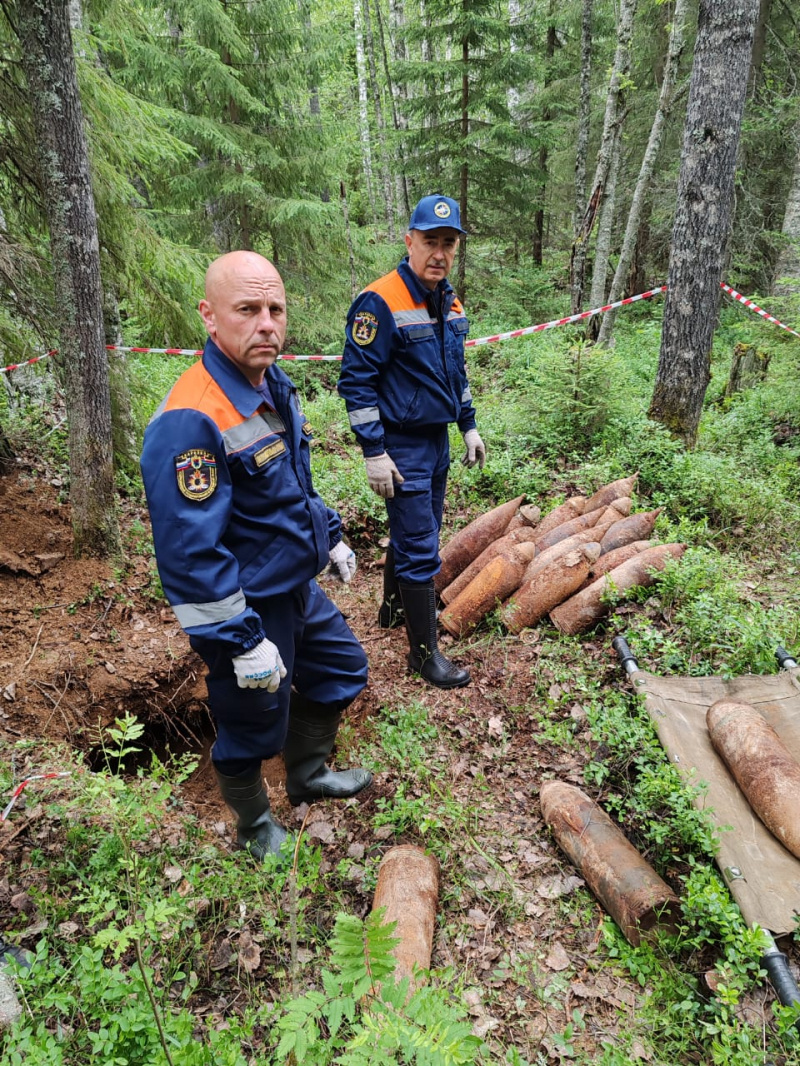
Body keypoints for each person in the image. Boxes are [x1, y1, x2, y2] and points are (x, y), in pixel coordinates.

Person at [140, 251, 371, 861]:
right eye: (249, 309)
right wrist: (242, 641)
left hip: (294, 582)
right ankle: (253, 828)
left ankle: (308, 774)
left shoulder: (270, 382)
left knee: (342, 669)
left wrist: (331, 533)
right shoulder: (192, 417)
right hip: (246, 603)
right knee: (251, 725)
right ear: (210, 317)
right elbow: (190, 554)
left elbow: (290, 485)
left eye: (276, 309)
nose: (267, 323)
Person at [338, 195, 486, 690]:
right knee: (421, 545)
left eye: (448, 243)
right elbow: (356, 382)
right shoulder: (380, 301)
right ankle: (425, 657)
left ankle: (390, 607)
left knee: (417, 531)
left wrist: (468, 424)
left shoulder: (450, 300)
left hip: (437, 439)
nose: (439, 253)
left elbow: (454, 370)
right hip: (401, 445)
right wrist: (373, 450)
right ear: (409, 242)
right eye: (430, 242)